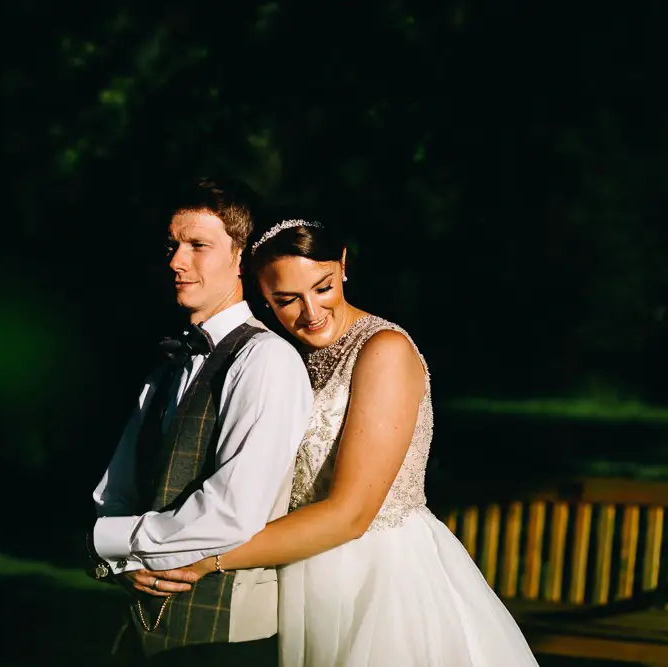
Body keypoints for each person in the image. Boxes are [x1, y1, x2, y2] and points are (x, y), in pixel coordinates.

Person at [155, 218, 540, 666]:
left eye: (323, 287)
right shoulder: (283, 359)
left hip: (377, 577)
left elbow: (352, 514)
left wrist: (212, 557)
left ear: (342, 265)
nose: (311, 312)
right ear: (262, 296)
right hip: (300, 569)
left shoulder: (384, 350)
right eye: (286, 300)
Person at [85, 179, 313, 665]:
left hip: (226, 635)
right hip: (144, 628)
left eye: (198, 246)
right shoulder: (167, 364)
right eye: (172, 245)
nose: (175, 261)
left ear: (241, 256)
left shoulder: (266, 360)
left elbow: (233, 511)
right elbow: (116, 489)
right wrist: (122, 561)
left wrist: (111, 543)